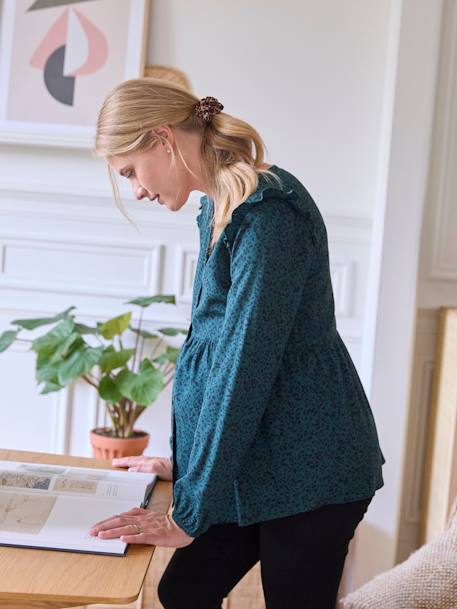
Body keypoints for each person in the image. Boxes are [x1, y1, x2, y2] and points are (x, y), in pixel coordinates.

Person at [88, 77, 386, 609]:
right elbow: (216, 354)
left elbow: (243, 367)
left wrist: (193, 508)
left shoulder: (267, 215)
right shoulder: (219, 206)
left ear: (163, 139)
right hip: (261, 457)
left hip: (311, 465)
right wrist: (188, 466)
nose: (136, 189)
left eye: (132, 171)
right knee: (185, 589)